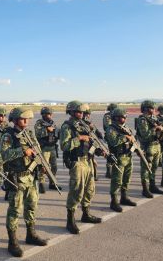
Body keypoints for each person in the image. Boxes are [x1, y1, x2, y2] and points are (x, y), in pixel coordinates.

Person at [0, 107, 48, 257]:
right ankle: (12, 242)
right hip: (17, 178)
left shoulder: (29, 134)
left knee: (32, 206)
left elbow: (38, 151)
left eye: (27, 118)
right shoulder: (8, 136)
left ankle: (30, 234)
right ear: (14, 120)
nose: (26, 121)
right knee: (15, 210)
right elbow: (4, 155)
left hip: (31, 177)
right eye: (22, 119)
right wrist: (22, 151)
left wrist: (43, 165)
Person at [60, 101, 102, 235]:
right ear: (71, 112)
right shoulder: (67, 126)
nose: (81, 114)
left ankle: (86, 214)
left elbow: (91, 141)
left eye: (82, 112)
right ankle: (70, 220)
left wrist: (99, 150)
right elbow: (64, 146)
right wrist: (79, 139)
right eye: (78, 111)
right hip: (77, 162)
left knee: (90, 189)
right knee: (76, 191)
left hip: (88, 160)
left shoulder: (84, 124)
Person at [104, 108, 137, 212]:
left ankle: (124, 197)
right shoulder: (111, 128)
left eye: (125, 117)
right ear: (116, 117)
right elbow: (113, 142)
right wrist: (125, 137)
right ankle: (114, 202)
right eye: (123, 117)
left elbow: (132, 139)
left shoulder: (125, 127)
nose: (125, 119)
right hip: (118, 158)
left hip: (128, 156)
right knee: (117, 181)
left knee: (127, 179)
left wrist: (135, 146)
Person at [136, 100, 163, 198]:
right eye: (152, 108)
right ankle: (145, 189)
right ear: (146, 109)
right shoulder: (142, 120)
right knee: (146, 168)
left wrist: (160, 130)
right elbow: (145, 135)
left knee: (154, 167)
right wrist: (155, 129)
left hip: (156, 145)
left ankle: (152, 186)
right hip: (148, 146)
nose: (154, 109)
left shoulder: (154, 118)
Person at [34, 106, 60, 192]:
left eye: (49, 114)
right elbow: (37, 133)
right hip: (44, 148)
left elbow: (57, 132)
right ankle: (41, 183)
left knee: (54, 167)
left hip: (52, 147)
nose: (48, 115)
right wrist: (46, 130)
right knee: (43, 167)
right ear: (42, 114)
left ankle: (52, 183)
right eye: (46, 114)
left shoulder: (52, 123)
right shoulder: (39, 123)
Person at [103, 103, 118, 178]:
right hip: (110, 137)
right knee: (111, 153)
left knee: (115, 153)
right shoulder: (107, 116)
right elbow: (108, 126)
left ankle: (113, 169)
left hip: (115, 136)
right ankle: (108, 171)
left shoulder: (114, 116)